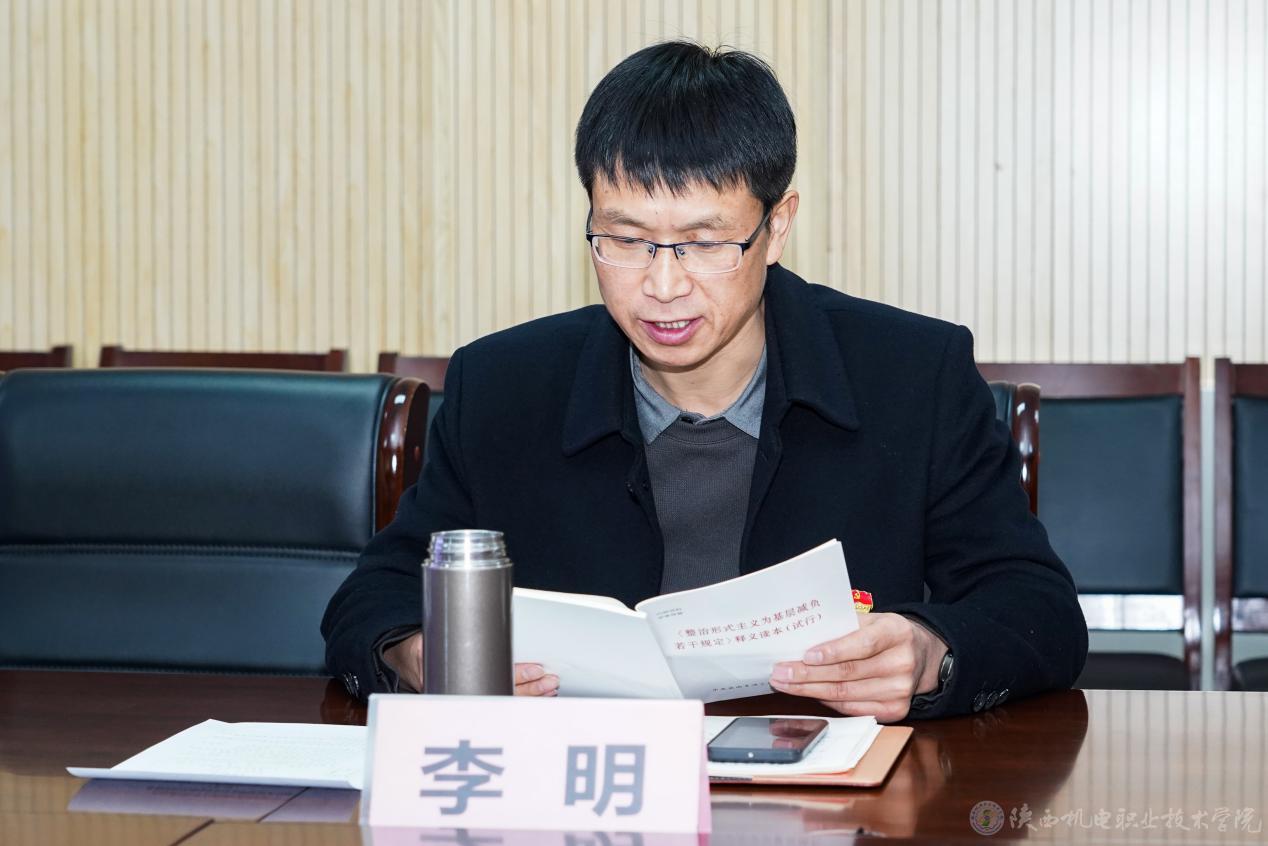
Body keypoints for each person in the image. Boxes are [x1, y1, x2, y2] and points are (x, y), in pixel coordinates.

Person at [322, 41, 1087, 721]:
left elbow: (1037, 608)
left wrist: (929, 652)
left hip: (834, 798)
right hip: (585, 788)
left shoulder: (912, 375)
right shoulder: (505, 387)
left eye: (703, 243)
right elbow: (375, 597)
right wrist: (421, 658)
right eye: (625, 240)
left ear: (776, 226)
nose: (662, 287)